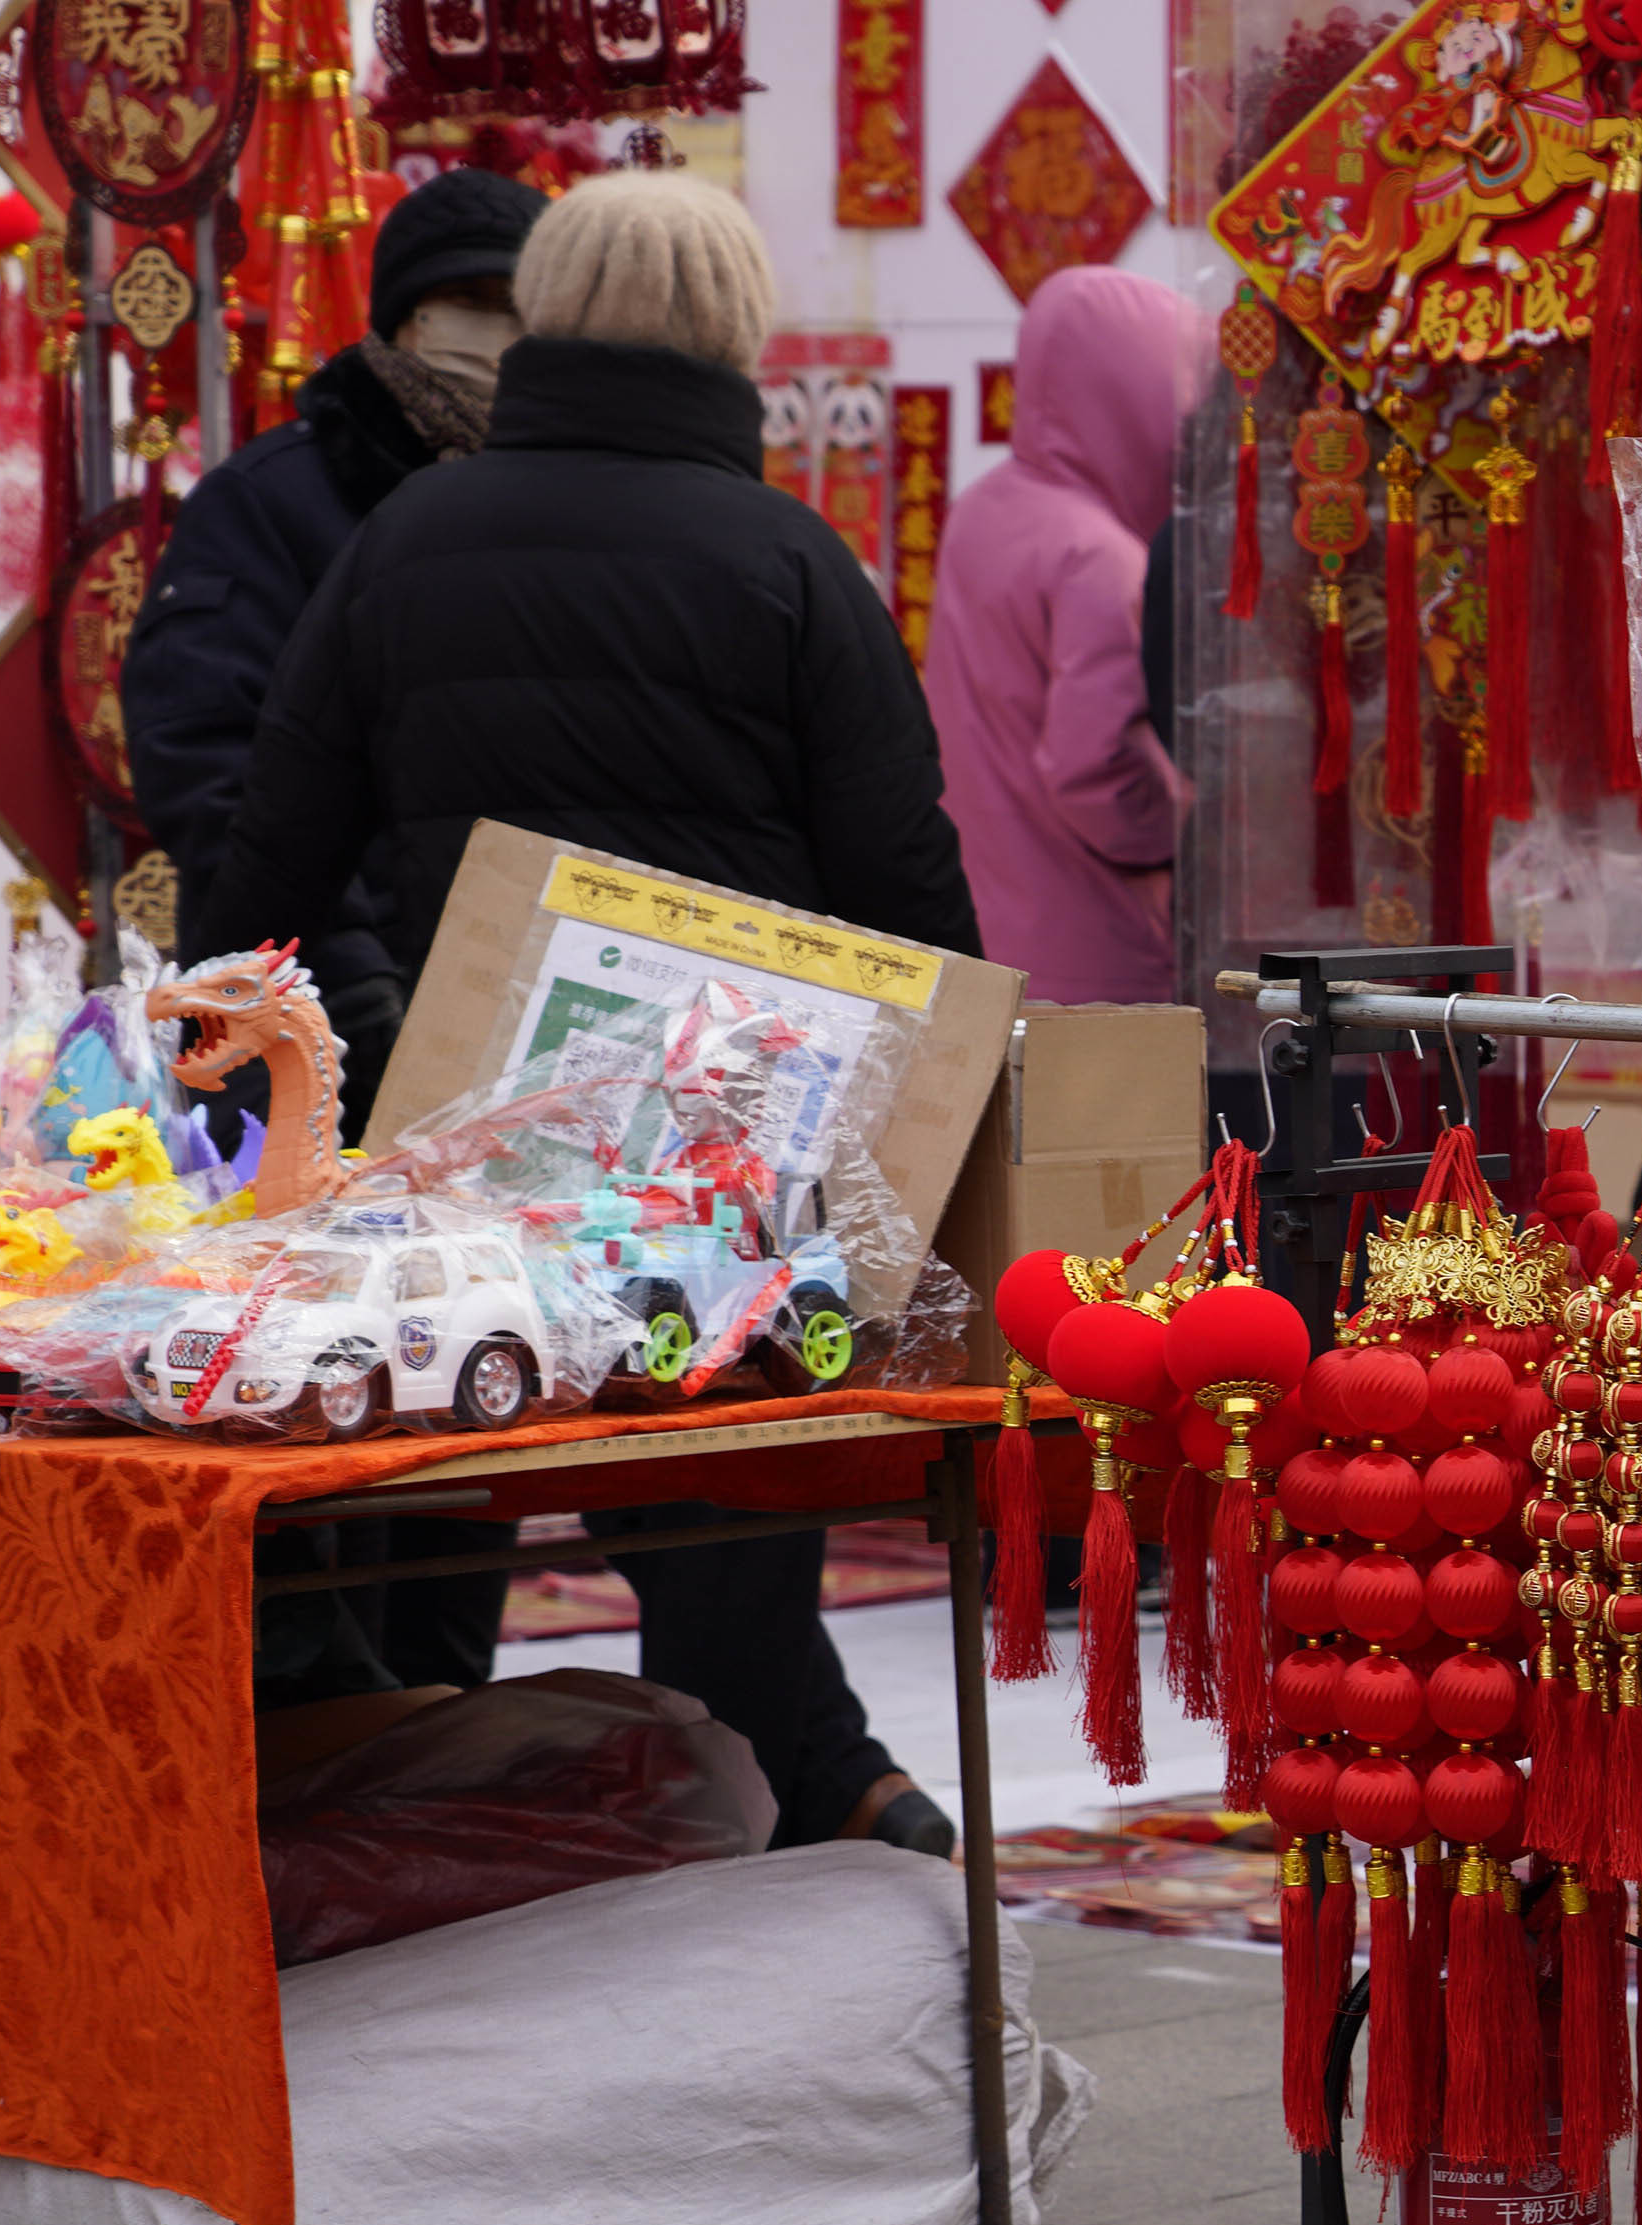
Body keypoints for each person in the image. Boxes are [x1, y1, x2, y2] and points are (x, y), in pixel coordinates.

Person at [200, 174, 981, 1857]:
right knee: (718, 1563)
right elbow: (911, 898)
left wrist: (273, 1111)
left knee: (427, 1560)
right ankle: (771, 1880)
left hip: (460, 1179)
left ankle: (457, 1867)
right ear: (735, 331)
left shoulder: (407, 541)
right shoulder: (792, 565)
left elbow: (261, 866)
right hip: (726, 1198)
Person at [124, 169, 545, 1088]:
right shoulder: (269, 501)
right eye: (463, 303)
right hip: (312, 1024)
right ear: (401, 317)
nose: (493, 332)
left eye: (515, 306)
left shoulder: (566, 506)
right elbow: (207, 757)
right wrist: (354, 989)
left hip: (528, 1009)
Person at [924, 265, 1201, 1006]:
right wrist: (1205, 825)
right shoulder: (1098, 552)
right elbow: (1097, 768)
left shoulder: (984, 509)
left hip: (987, 923)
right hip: (1092, 951)